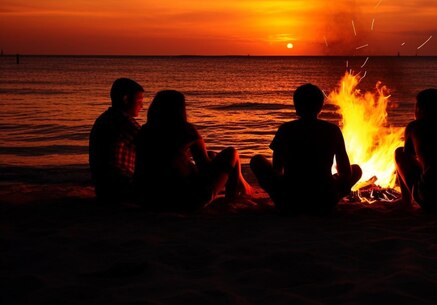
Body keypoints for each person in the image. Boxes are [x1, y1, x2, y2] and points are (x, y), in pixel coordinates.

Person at [250, 83, 362, 215]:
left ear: (296, 106)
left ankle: (283, 202)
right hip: (324, 198)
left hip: (290, 199)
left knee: (257, 160)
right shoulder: (332, 130)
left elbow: (278, 169)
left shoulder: (285, 129)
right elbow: (345, 171)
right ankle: (328, 201)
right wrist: (336, 181)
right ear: (320, 107)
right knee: (356, 170)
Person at [133, 90, 251, 211]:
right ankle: (231, 198)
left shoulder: (144, 131)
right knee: (232, 153)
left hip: (150, 199)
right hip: (187, 200)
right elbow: (204, 168)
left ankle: (242, 186)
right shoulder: (186, 130)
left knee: (212, 155)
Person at [89, 78, 144, 203]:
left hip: (103, 186)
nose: (142, 105)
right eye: (139, 100)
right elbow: (156, 146)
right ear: (125, 99)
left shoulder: (105, 118)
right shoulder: (123, 121)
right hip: (119, 186)